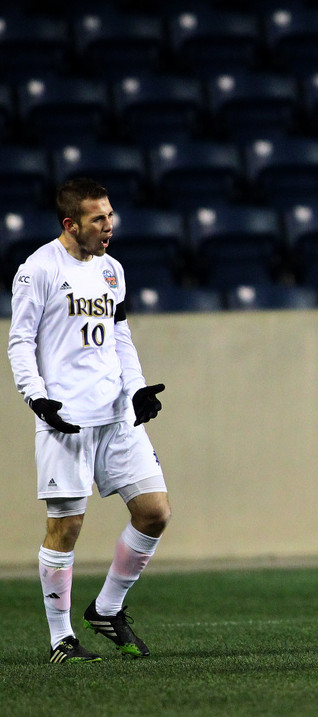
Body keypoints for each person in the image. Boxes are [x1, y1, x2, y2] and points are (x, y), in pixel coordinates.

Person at [7, 178, 170, 664]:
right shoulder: (37, 270)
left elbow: (120, 336)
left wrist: (137, 386)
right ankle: (61, 639)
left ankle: (106, 608)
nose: (109, 227)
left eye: (111, 216)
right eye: (98, 219)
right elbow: (19, 342)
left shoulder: (112, 270)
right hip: (67, 419)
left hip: (116, 414)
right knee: (67, 527)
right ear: (70, 223)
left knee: (155, 512)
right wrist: (37, 398)